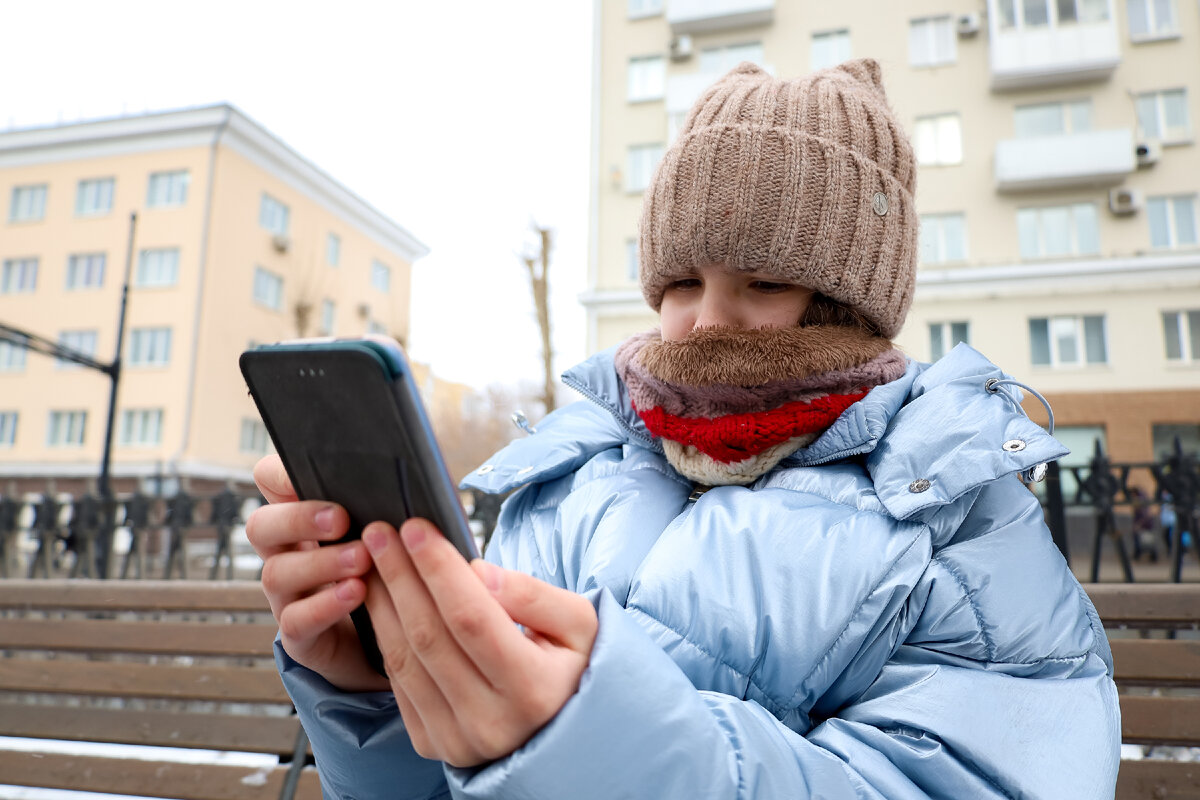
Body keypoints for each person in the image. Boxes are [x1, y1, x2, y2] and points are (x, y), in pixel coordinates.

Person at [248, 59, 1120, 799]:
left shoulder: (950, 503)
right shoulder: (571, 477)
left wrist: (598, 746)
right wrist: (374, 690)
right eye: (679, 283)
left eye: (763, 282)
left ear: (848, 304)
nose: (706, 320)